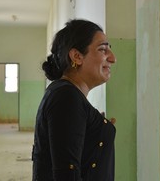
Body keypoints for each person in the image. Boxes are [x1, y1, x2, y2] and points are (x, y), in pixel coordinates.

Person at [32, 19, 117, 181]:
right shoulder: (67, 98)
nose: (112, 58)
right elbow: (66, 174)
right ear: (77, 56)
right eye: (103, 49)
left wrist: (97, 129)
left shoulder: (66, 94)